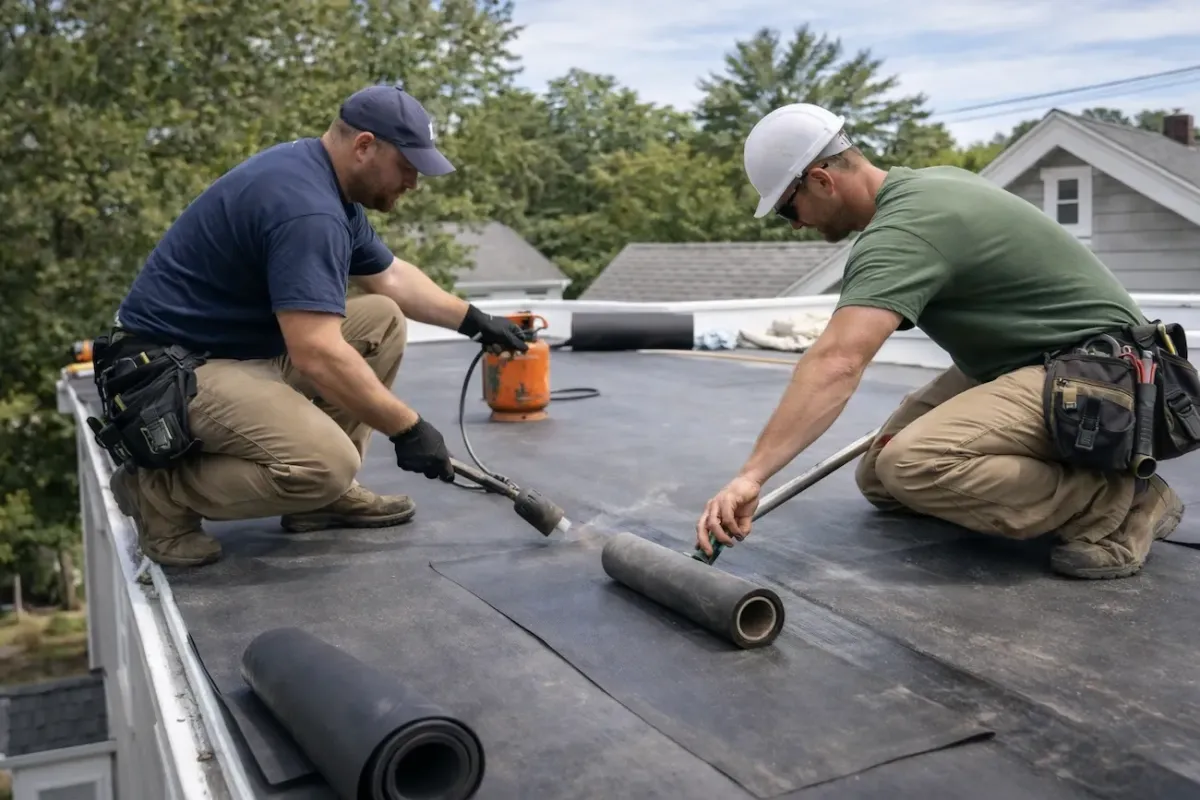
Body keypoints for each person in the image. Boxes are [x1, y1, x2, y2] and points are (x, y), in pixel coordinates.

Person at [695, 102, 1187, 580]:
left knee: (914, 464)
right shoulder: (930, 184)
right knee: (880, 478)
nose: (797, 224)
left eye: (788, 209)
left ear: (822, 180)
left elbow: (839, 361)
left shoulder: (905, 230)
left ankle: (1123, 505)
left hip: (1102, 377)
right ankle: (1041, 486)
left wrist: (751, 476)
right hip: (1035, 360)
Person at [99, 83, 529, 567]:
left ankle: (321, 501)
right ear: (365, 146)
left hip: (233, 350)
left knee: (381, 319)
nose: (413, 183)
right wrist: (408, 428)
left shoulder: (324, 181)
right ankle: (158, 492)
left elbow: (391, 278)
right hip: (169, 370)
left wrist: (476, 322)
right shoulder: (307, 209)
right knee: (326, 464)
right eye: (407, 167)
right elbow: (317, 353)